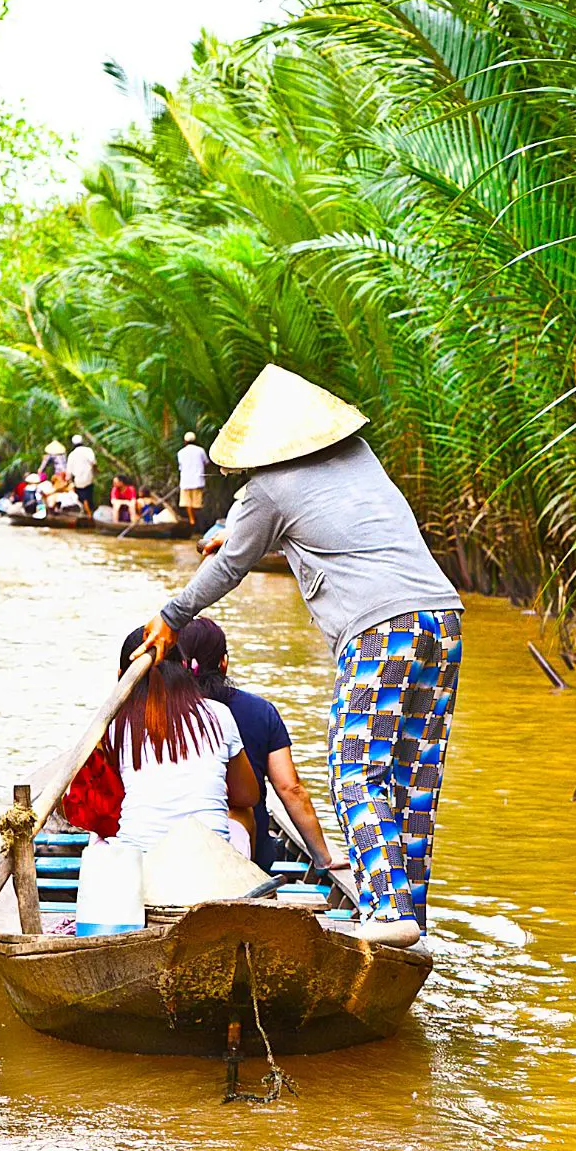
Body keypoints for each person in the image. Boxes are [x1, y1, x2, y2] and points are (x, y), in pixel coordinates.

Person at [140, 364, 463, 948]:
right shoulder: (361, 455)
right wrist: (231, 529)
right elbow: (308, 518)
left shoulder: (267, 490)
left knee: (354, 768)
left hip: (380, 628)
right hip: (442, 618)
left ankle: (386, 911)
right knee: (414, 777)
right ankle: (410, 915)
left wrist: (171, 616)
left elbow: (233, 564)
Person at [176, 617, 335, 873]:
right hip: (251, 852)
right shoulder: (261, 712)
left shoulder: (159, 714)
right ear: (224, 662)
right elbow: (289, 787)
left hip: (173, 844)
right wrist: (322, 858)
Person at [107, 625, 261, 853]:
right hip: (209, 857)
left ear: (121, 677)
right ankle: (243, 878)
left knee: (101, 830)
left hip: (139, 856)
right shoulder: (219, 714)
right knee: (243, 813)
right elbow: (248, 796)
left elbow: (101, 801)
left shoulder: (113, 726)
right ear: (186, 669)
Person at [177, 431, 209, 526]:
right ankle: (194, 520)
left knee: (187, 503)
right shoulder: (200, 450)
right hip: (197, 480)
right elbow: (206, 462)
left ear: (185, 441)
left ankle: (192, 520)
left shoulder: (180, 452)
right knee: (197, 503)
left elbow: (180, 467)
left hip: (186, 481)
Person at [66, 435, 98, 515]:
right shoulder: (88, 451)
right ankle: (89, 513)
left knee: (82, 498)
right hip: (88, 478)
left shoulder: (72, 454)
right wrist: (96, 472)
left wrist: (69, 481)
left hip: (78, 481)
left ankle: (86, 513)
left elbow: (69, 472)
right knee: (89, 497)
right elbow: (94, 463)